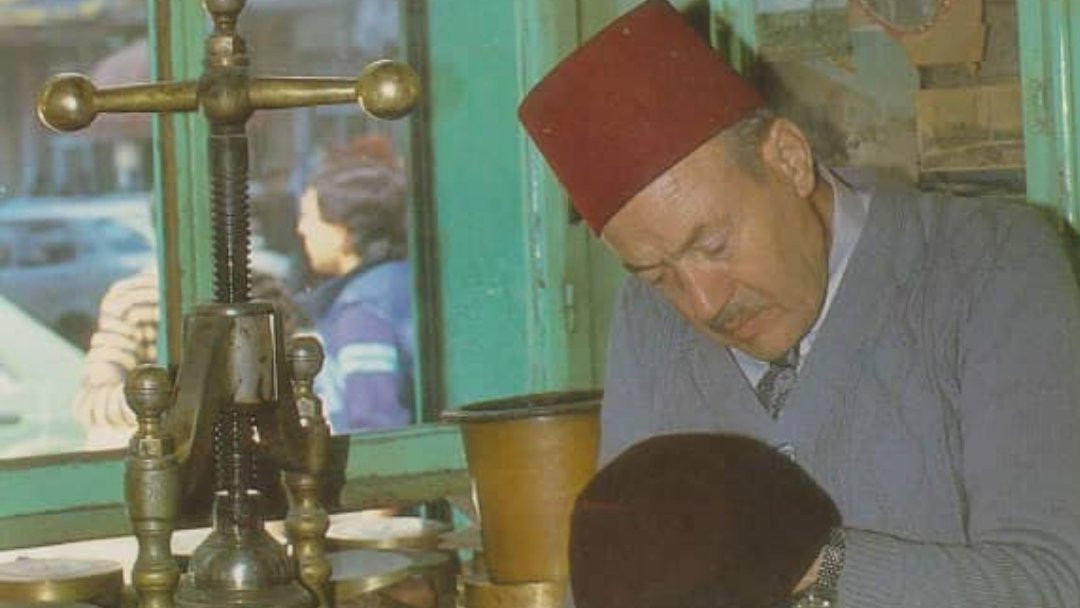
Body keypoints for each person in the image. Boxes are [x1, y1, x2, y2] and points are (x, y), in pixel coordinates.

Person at [518, 1, 1080, 607]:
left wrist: (814, 559)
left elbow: (1053, 581)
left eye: (712, 244)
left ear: (788, 158)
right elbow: (610, 578)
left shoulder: (991, 264)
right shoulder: (648, 319)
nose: (704, 304)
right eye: (657, 274)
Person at [73, 267, 299, 450]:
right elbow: (93, 400)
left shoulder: (266, 291)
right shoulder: (134, 299)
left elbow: (292, 389)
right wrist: (162, 401)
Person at [295, 135, 414, 433]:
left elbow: (373, 424)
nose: (301, 228)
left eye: (310, 216)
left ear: (344, 230)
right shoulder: (401, 281)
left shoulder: (361, 313)